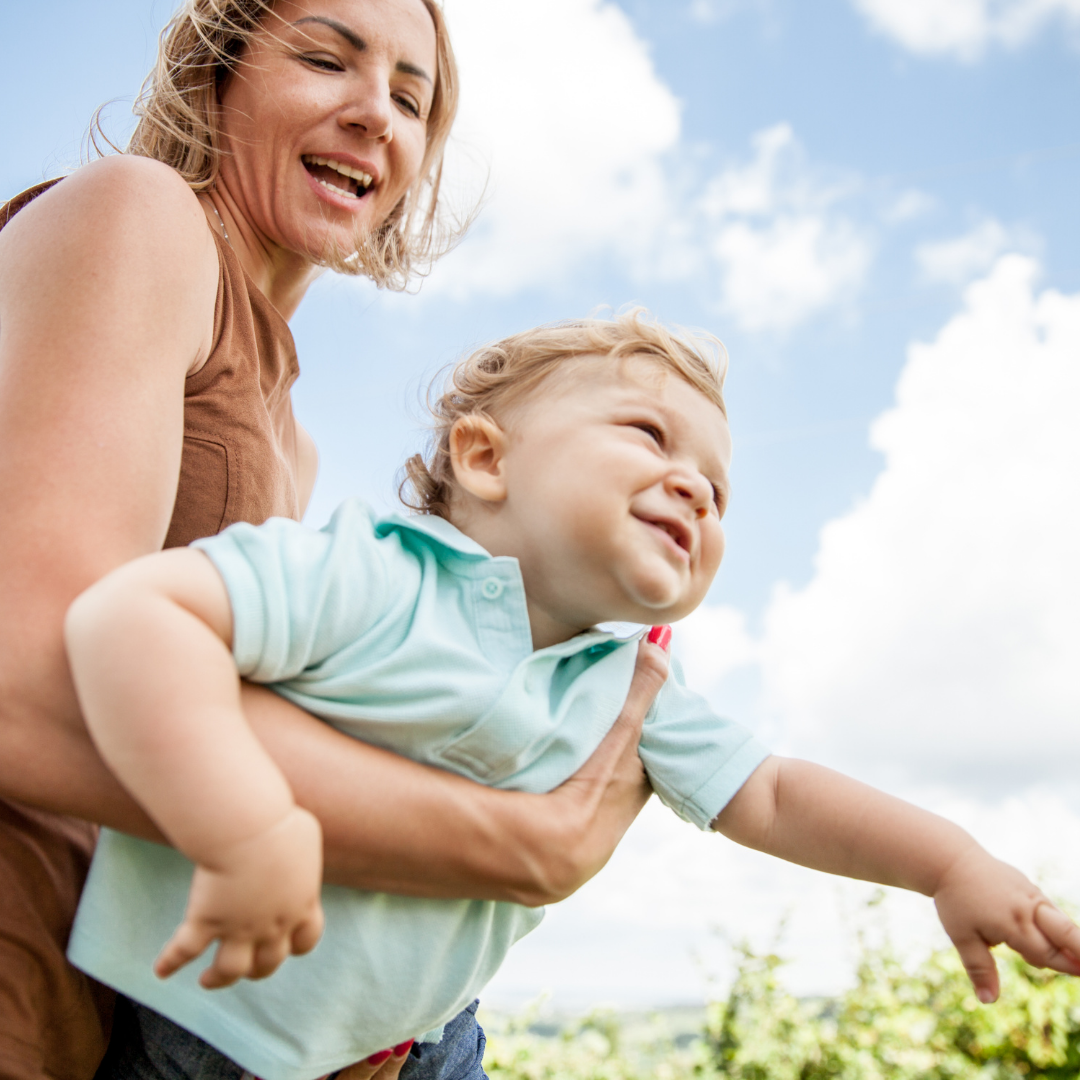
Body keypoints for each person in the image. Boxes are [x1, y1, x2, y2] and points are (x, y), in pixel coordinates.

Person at [64, 312, 1080, 1080]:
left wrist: (952, 862)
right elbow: (134, 620)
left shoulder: (627, 683)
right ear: (484, 457)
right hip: (209, 1031)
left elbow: (770, 796)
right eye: (648, 434)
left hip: (422, 1049)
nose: (694, 487)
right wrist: (241, 824)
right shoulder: (374, 573)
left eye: (718, 491)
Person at [0, 3, 669, 1078]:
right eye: (325, 59)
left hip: (103, 1005)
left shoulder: (293, 440)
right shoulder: (139, 214)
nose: (374, 114)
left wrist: (343, 1006)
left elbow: (207, 749)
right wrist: (512, 845)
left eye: (411, 98)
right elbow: (24, 685)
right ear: (219, 77)